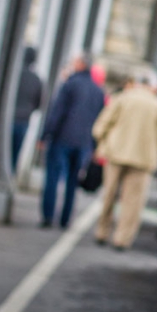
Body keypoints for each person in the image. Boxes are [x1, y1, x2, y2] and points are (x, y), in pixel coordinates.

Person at [92, 71, 157, 250]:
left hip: (115, 153)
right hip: (143, 160)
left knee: (109, 195)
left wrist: (103, 143)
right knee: (132, 201)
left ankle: (102, 232)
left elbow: (100, 127)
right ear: (153, 86)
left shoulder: (122, 99)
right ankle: (122, 239)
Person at [40, 52, 105, 228]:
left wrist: (45, 135)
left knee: (53, 177)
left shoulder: (70, 84)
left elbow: (57, 112)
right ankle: (65, 219)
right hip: (84, 142)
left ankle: (47, 216)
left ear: (80, 65)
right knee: (72, 182)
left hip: (63, 138)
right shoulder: (98, 91)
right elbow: (100, 120)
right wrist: (94, 145)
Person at [12, 46, 43, 173]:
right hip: (23, 121)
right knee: (14, 155)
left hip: (8, 119)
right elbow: (39, 103)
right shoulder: (36, 80)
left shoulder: (14, 75)